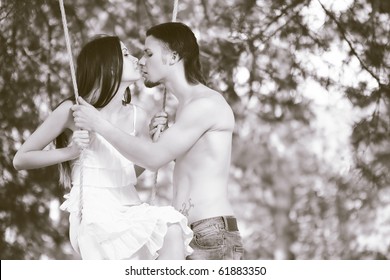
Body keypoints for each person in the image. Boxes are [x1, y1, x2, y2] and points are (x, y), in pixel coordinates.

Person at [72, 22, 244, 260]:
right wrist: (158, 140)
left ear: (173, 57)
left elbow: (154, 158)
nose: (141, 61)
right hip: (188, 235)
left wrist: (99, 124)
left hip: (211, 235)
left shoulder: (205, 104)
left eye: (149, 53)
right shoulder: (185, 109)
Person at [12, 35, 193, 260]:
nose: (136, 59)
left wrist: (154, 145)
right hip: (93, 211)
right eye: (125, 54)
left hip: (128, 206)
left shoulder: (137, 115)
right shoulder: (74, 110)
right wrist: (70, 153)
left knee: (172, 228)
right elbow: (21, 159)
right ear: (108, 67)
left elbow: (127, 173)